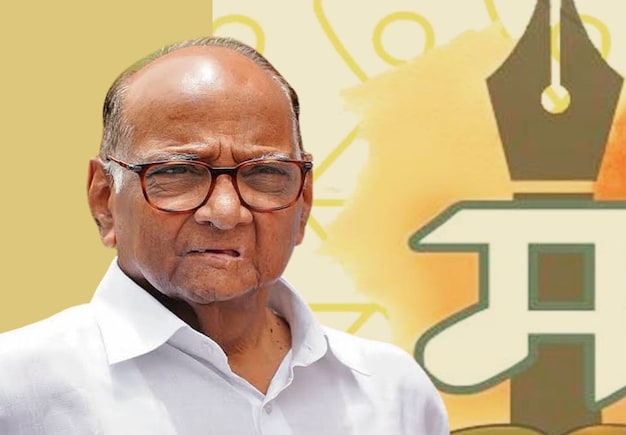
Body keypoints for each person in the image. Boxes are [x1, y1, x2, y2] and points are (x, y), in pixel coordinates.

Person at [0, 36, 449, 434]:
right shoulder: (20, 388)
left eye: (264, 173)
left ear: (304, 200)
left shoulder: (390, 392)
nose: (225, 212)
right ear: (104, 199)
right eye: (178, 172)